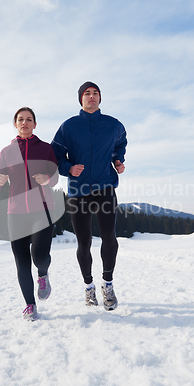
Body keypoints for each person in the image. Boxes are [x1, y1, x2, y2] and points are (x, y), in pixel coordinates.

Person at [51, 82, 127, 310]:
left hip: (105, 188)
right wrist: (68, 168)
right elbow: (55, 155)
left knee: (109, 238)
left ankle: (108, 284)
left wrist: (117, 160)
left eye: (95, 93)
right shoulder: (69, 126)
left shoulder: (113, 125)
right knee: (84, 243)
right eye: (87, 93)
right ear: (80, 99)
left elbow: (120, 144)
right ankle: (89, 287)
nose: (91, 96)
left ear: (100, 98)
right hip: (78, 191)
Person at [0, 107, 59, 321]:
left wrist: (47, 179)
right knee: (21, 260)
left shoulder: (46, 149)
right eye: (20, 119)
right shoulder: (6, 152)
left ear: (35, 124)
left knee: (39, 255)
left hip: (42, 210)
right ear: (15, 124)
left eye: (29, 119)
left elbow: (55, 176)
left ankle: (43, 274)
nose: (24, 122)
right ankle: (30, 305)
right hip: (16, 213)